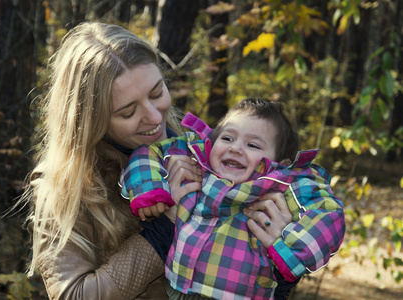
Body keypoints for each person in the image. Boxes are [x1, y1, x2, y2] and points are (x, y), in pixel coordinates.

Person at [17, 22, 295, 299]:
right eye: (128, 112)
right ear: (91, 121)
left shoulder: (200, 153)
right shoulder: (65, 187)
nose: (153, 117)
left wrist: (281, 267)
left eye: (157, 93)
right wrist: (164, 229)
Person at [120, 98, 345, 299]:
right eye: (227, 138)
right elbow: (149, 152)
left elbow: (329, 215)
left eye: (253, 145)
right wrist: (150, 190)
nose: (235, 148)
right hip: (176, 289)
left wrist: (291, 251)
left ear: (281, 164)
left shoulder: (288, 186)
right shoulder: (194, 160)